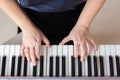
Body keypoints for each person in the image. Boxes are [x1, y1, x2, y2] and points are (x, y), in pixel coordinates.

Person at [0, 0, 105, 66]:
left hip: (75, 12)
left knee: (76, 61)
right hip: (30, 15)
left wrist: (82, 26)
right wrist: (27, 28)